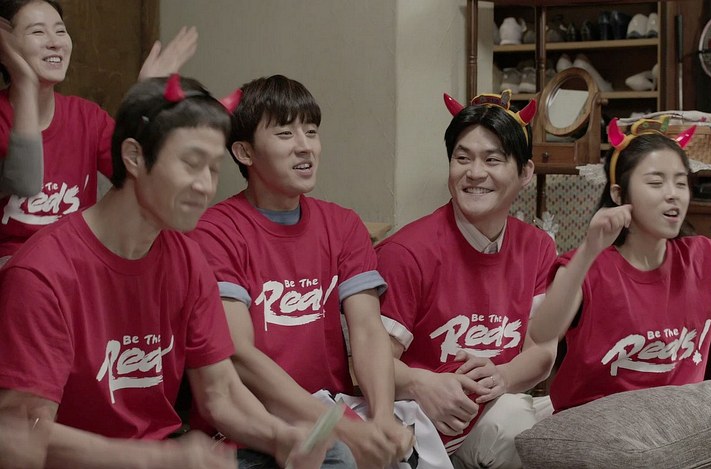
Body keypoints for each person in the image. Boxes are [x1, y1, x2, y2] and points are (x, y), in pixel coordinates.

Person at [0, 74, 330, 469]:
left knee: (332, 455)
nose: (205, 186)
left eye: (213, 169)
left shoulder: (186, 258)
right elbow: (22, 436)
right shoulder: (42, 273)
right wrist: (160, 458)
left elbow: (219, 393)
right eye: (191, 164)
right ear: (134, 157)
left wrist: (280, 437)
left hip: (166, 454)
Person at [527, 117, 711, 466]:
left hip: (681, 427)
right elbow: (543, 331)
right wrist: (589, 250)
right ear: (619, 195)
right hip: (604, 433)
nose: (673, 194)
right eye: (656, 182)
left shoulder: (698, 255)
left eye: (681, 182)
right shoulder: (587, 266)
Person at [187, 74, 413, 469]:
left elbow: (367, 330)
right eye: (284, 133)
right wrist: (342, 428)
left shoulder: (342, 225)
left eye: (311, 131)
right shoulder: (216, 231)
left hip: (331, 407)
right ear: (244, 152)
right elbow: (239, 354)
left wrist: (380, 419)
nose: (305, 146)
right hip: (252, 428)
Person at [374, 90, 560, 469]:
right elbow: (367, 362)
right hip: (421, 421)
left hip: (498, 409)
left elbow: (542, 350)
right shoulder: (407, 252)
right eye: (462, 158)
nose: (475, 173)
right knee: (519, 428)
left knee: (573, 422)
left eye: (493, 159)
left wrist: (503, 376)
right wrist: (420, 384)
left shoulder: (538, 247)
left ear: (525, 173)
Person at [0, 0, 197, 259]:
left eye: (60, 31)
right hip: (15, 262)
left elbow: (138, 176)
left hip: (79, 258)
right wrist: (25, 82)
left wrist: (146, 99)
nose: (55, 42)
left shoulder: (87, 117)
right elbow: (23, 181)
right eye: (37, 31)